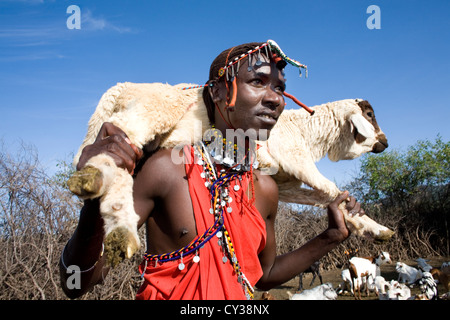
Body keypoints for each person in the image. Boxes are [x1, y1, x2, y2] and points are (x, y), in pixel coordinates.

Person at [60, 41, 365, 300]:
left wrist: (332, 236)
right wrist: (94, 200)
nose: (275, 99)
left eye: (280, 89)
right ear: (218, 92)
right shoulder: (166, 169)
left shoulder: (265, 189)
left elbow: (263, 275)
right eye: (258, 82)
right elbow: (78, 282)